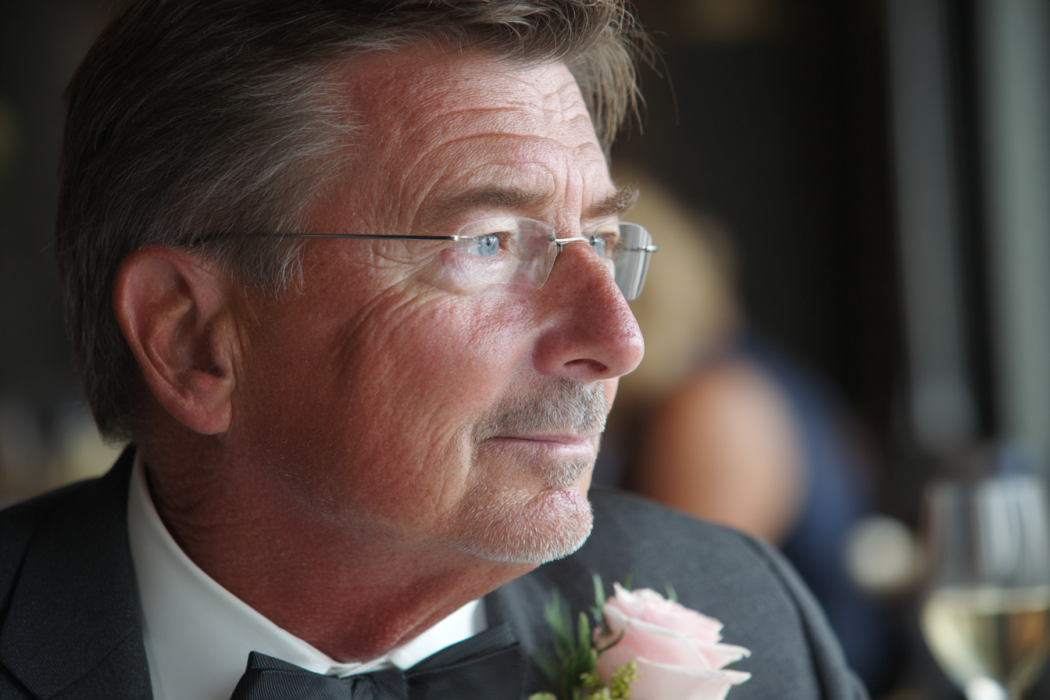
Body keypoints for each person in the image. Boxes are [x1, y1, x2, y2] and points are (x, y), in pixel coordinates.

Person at [0, 2, 866, 699]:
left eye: (599, 242)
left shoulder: (735, 606)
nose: (619, 343)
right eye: (487, 243)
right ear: (191, 337)